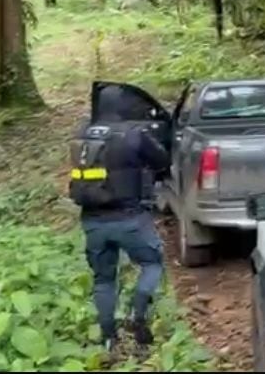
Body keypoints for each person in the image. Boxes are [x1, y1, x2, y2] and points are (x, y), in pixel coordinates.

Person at [69, 85, 171, 352]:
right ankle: (138, 313)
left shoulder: (82, 132)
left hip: (92, 222)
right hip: (130, 218)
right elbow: (162, 160)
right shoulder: (133, 134)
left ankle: (108, 338)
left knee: (103, 279)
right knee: (152, 263)